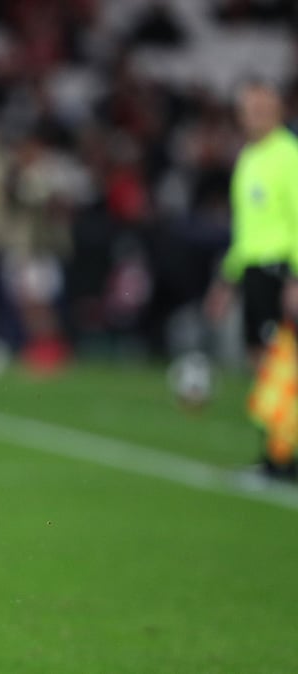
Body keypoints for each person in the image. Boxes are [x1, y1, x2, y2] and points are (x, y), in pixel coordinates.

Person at [204, 79, 298, 480]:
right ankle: (274, 454)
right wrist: (226, 281)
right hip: (253, 270)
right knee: (260, 362)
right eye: (247, 110)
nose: (254, 116)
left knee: (282, 363)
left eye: (261, 108)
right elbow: (245, 229)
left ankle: (282, 460)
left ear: (277, 110)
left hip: (280, 269)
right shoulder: (248, 159)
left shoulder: (288, 156)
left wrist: (296, 278)